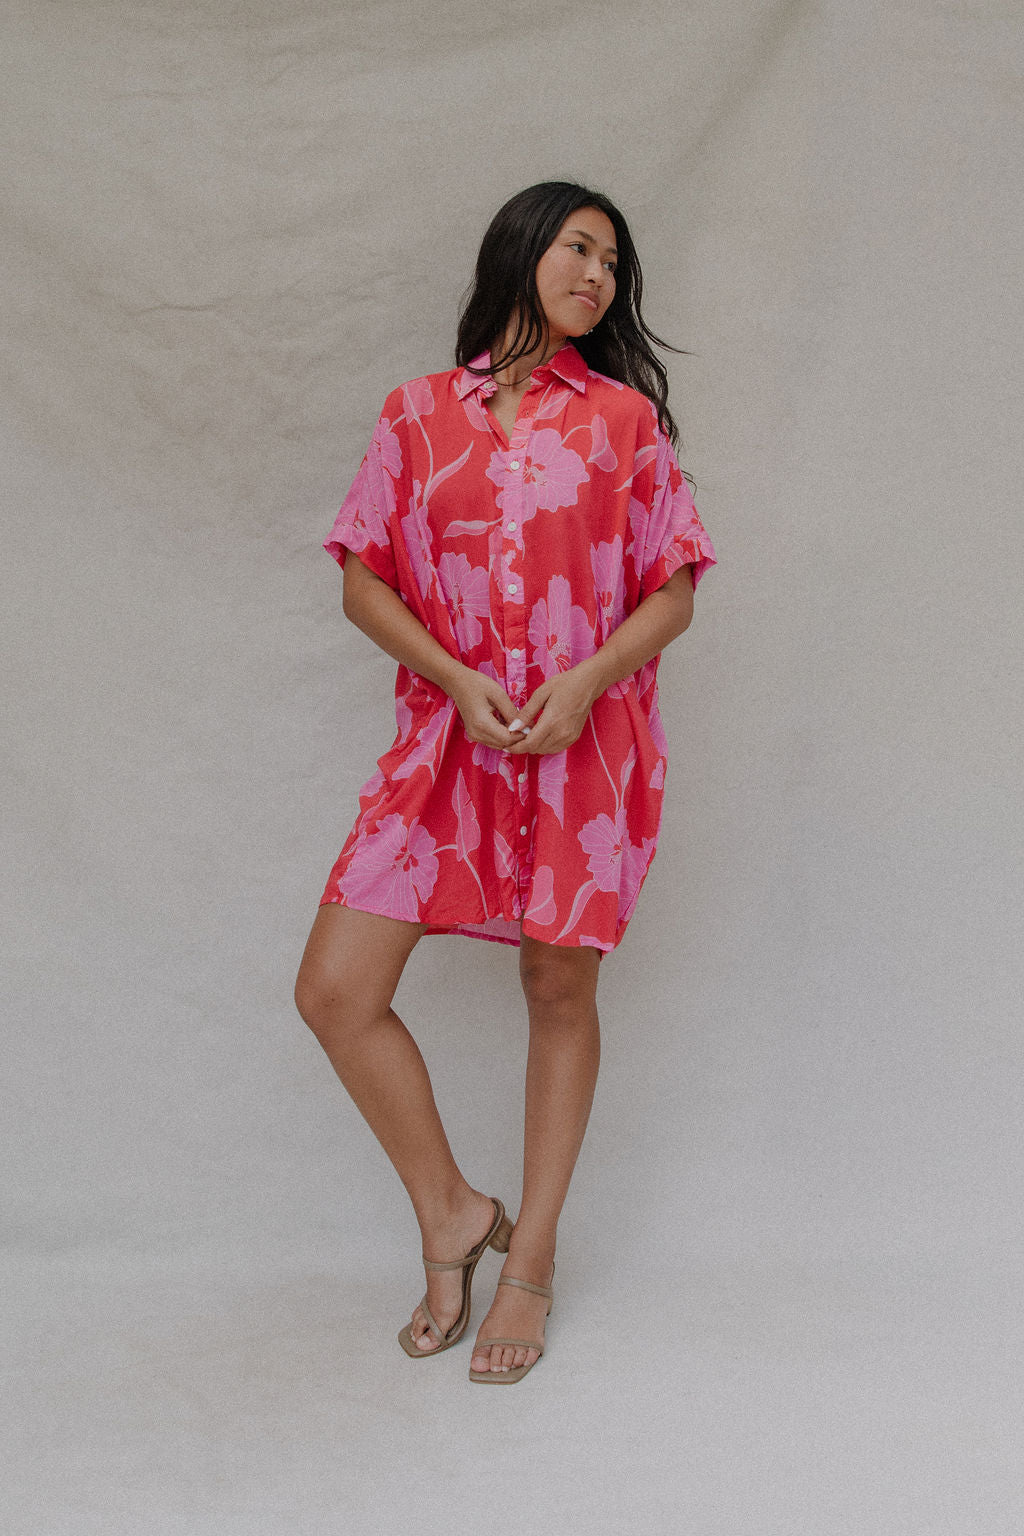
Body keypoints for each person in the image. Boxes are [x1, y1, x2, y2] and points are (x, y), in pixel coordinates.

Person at [294, 181, 716, 1384]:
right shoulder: (418, 414)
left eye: (613, 262)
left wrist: (584, 684)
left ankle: (528, 1259)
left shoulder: (623, 421)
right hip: (444, 742)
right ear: (520, 251)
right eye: (578, 246)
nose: (597, 272)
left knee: (555, 989)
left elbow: (674, 587)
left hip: (578, 745)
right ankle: (452, 1212)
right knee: (335, 989)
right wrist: (451, 675)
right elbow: (361, 576)